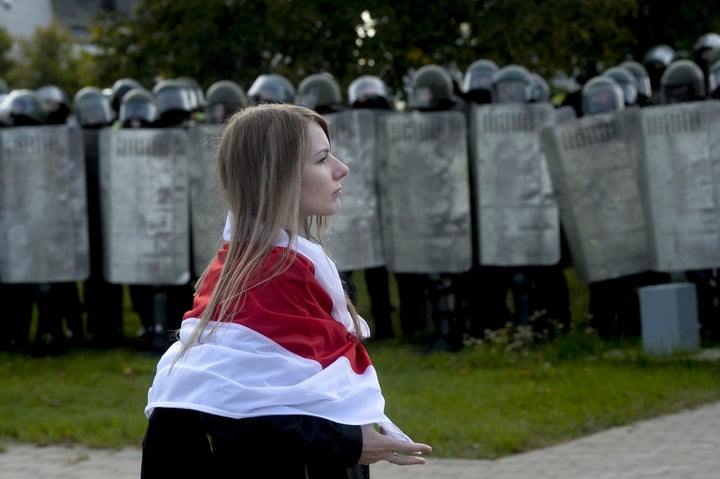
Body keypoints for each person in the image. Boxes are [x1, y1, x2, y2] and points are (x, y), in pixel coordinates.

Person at [141, 103, 431, 477]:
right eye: (323, 158)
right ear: (277, 176)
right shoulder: (262, 279)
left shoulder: (287, 267)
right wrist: (349, 443)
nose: (342, 168)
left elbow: (288, 390)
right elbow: (229, 417)